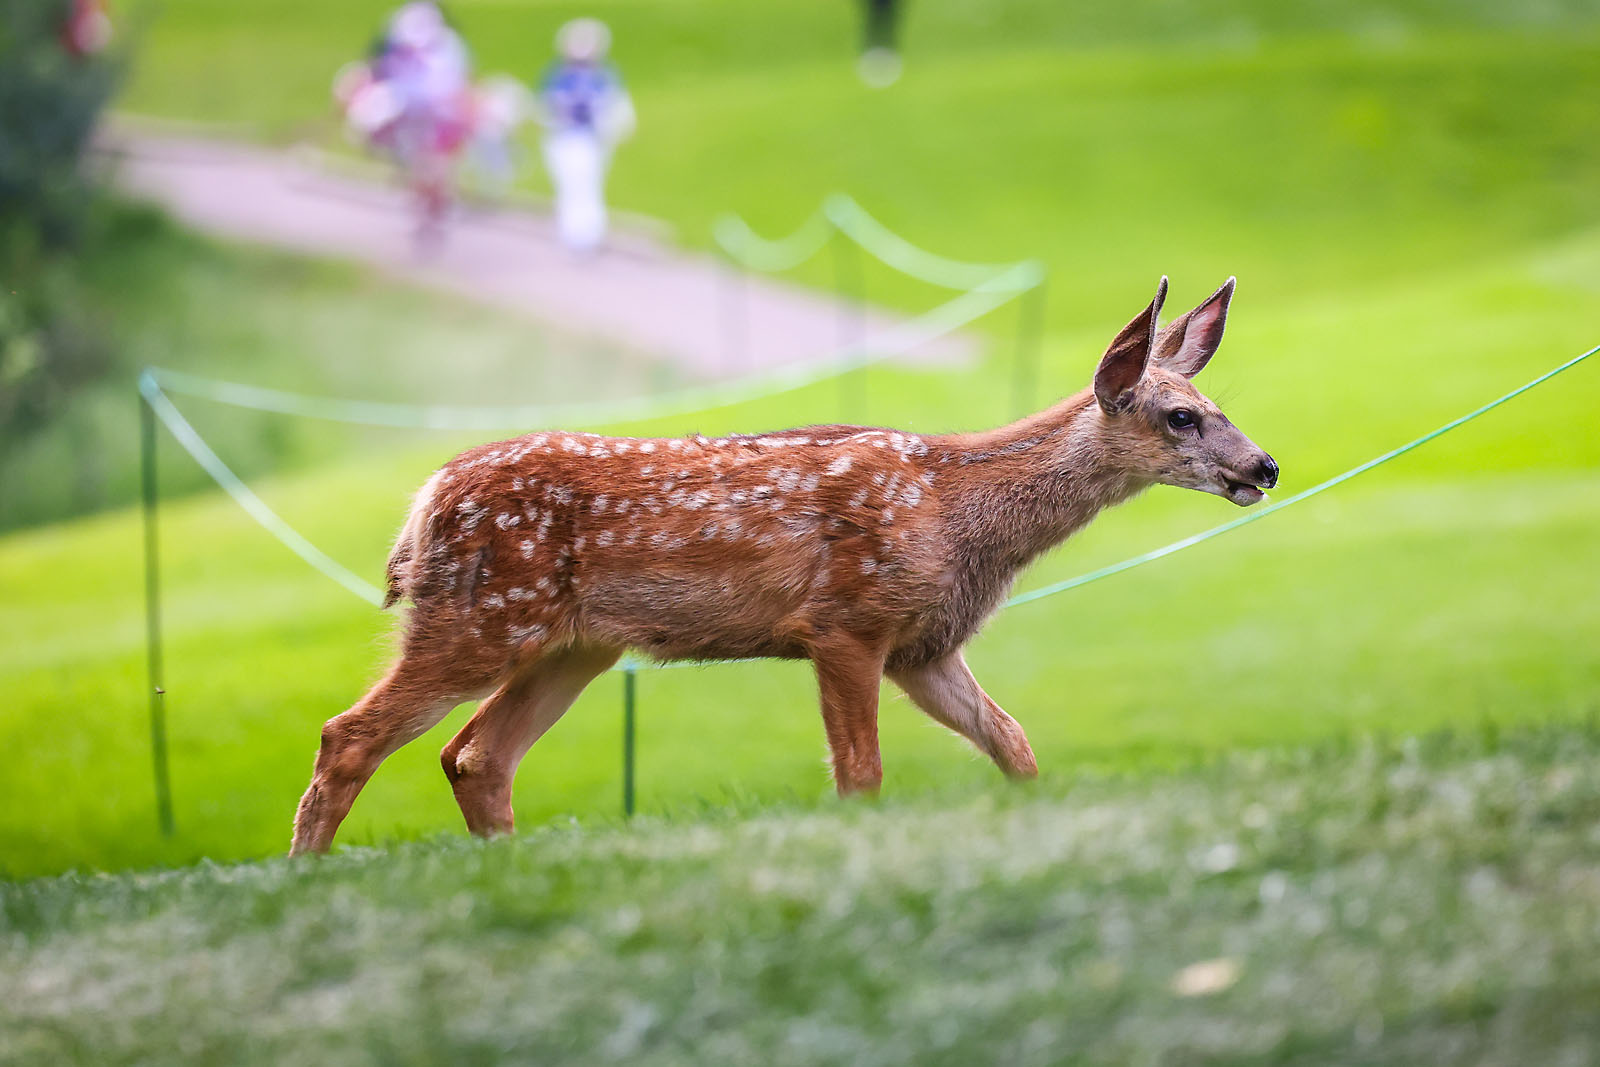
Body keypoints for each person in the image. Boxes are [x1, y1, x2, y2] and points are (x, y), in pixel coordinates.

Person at [336, 2, 474, 249]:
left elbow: (453, 88)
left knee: (437, 170)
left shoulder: (447, 50)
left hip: (438, 120)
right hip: (408, 119)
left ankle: (437, 208)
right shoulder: (394, 49)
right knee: (415, 167)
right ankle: (420, 211)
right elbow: (376, 73)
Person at [536, 18, 634, 253]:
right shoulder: (558, 76)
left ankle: (589, 233)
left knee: (589, 184)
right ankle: (573, 233)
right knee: (570, 185)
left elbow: (614, 107)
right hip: (565, 138)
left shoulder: (603, 76)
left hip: (591, 139)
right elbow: (547, 107)